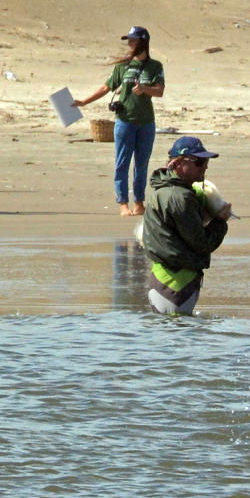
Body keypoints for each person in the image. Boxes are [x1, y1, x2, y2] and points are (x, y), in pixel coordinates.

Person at [73, 26, 165, 217]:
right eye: (128, 41)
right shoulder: (122, 67)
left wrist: (145, 89)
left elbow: (160, 91)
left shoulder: (155, 66)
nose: (129, 44)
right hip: (124, 122)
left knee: (141, 164)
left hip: (146, 123)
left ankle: (139, 203)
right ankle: (123, 203)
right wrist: (83, 102)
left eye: (133, 40)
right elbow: (106, 88)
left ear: (143, 42)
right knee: (122, 163)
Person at [141, 136, 230, 315]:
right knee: (178, 334)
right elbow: (202, 244)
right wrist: (220, 221)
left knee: (168, 331)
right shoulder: (180, 198)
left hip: (162, 277)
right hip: (177, 282)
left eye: (206, 161)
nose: (205, 166)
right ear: (179, 163)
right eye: (199, 161)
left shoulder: (165, 190)